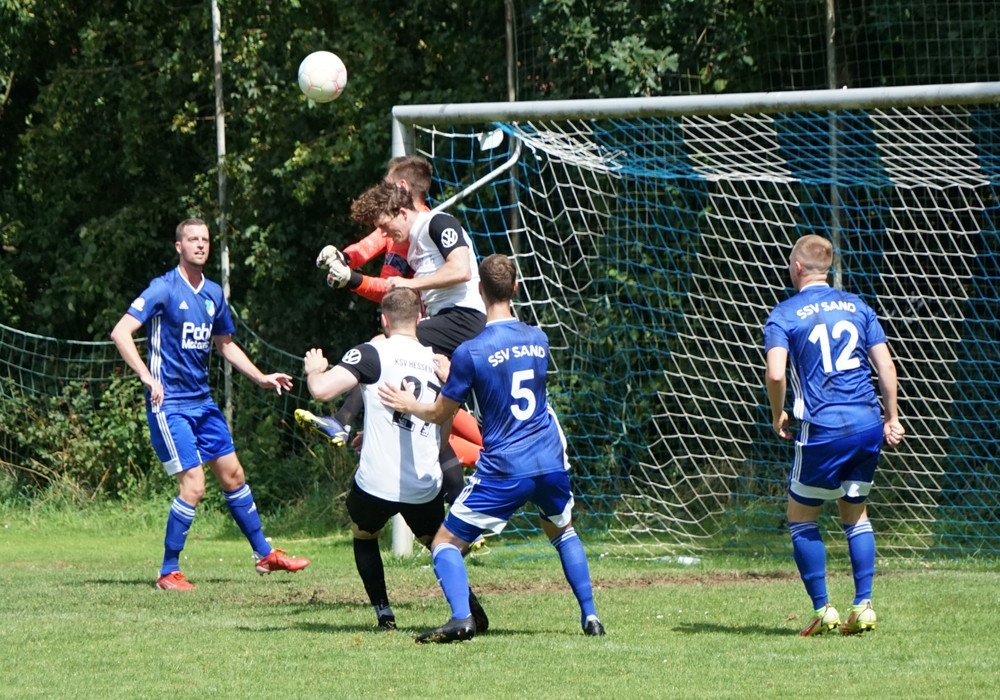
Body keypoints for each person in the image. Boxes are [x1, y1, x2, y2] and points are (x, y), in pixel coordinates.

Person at [379, 254, 605, 643]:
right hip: (549, 459)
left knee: (444, 544)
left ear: (480, 290)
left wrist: (410, 403)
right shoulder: (539, 340)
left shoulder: (471, 352)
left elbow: (440, 412)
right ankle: (591, 616)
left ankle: (461, 618)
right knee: (563, 531)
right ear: (515, 288)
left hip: (507, 467)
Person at [110, 218, 310, 590]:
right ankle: (168, 571)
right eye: (193, 239)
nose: (200, 244)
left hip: (202, 403)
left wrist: (260, 377)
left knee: (234, 476)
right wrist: (147, 377)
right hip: (170, 405)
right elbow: (120, 332)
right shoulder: (163, 288)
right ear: (179, 246)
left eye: (205, 239)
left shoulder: (213, 293)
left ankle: (264, 555)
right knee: (195, 485)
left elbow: (226, 345)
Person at [302, 287, 487, 632]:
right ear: (420, 318)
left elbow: (321, 390)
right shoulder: (440, 364)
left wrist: (315, 369)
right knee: (440, 545)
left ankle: (384, 614)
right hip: (423, 485)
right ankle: (468, 608)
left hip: (377, 483)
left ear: (384, 321)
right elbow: (441, 435)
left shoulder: (372, 352)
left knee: (364, 534)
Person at [296, 157, 483, 481]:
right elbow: (377, 261)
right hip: (444, 323)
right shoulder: (411, 238)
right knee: (437, 425)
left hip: (461, 320)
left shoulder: (436, 223)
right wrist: (345, 260)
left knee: (383, 346)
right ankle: (458, 507)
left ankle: (341, 418)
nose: (383, 234)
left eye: (385, 227)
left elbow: (460, 270)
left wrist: (397, 284)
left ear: (402, 201)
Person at [763, 234, 904, 636]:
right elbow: (886, 366)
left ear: (797, 267)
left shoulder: (785, 313)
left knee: (800, 517)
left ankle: (824, 609)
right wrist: (892, 417)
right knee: (855, 513)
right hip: (866, 422)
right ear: (828, 268)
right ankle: (864, 606)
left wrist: (777, 412)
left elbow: (776, 374)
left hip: (823, 426)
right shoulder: (858, 306)